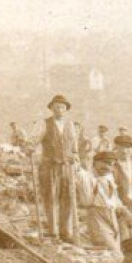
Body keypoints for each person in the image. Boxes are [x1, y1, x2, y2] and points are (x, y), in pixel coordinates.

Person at [36, 94, 80, 243]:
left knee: (67, 198)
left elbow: (74, 147)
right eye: (56, 107)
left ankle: (65, 231)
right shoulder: (44, 123)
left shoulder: (70, 125)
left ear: (66, 109)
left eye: (62, 107)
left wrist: (75, 156)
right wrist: (29, 149)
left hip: (67, 166)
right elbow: (34, 140)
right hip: (49, 166)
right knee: (51, 198)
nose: (59, 109)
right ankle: (53, 230)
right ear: (51, 108)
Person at [78, 150, 128, 252]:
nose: (107, 167)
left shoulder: (109, 178)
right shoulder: (86, 177)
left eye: (110, 165)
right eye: (103, 162)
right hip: (96, 214)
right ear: (95, 162)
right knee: (109, 247)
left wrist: (125, 210)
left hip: (111, 215)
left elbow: (115, 199)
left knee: (116, 246)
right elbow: (86, 200)